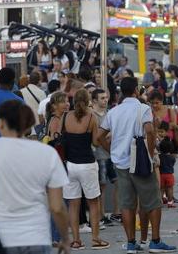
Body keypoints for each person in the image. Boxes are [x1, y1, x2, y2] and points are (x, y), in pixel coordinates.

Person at [0, 100, 71, 253]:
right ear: (27, 124)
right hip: (37, 237)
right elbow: (57, 206)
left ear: (0, 123)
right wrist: (65, 238)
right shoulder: (47, 153)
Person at [98, 77, 177, 254]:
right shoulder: (143, 109)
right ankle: (155, 241)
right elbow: (149, 130)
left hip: (121, 162)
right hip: (140, 162)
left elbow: (98, 136)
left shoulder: (113, 112)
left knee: (127, 204)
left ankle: (131, 244)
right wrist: (150, 154)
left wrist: (111, 150)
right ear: (135, 91)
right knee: (153, 202)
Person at [62, 89, 108, 249]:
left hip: (70, 165)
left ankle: (76, 240)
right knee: (93, 202)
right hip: (87, 164)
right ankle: (95, 239)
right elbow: (95, 142)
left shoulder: (66, 117)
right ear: (88, 100)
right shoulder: (91, 118)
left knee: (73, 204)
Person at [91, 89, 119, 225]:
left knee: (118, 183)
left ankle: (116, 213)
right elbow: (96, 137)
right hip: (99, 155)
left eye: (106, 97)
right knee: (101, 186)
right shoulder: (92, 116)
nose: (105, 100)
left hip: (111, 154)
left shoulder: (109, 114)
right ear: (94, 100)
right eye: (102, 98)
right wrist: (108, 135)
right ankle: (101, 215)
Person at [157, 123, 177, 208]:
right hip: (169, 174)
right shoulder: (172, 158)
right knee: (170, 188)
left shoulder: (159, 157)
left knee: (161, 188)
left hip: (161, 175)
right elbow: (173, 163)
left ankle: (160, 201)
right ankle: (170, 202)